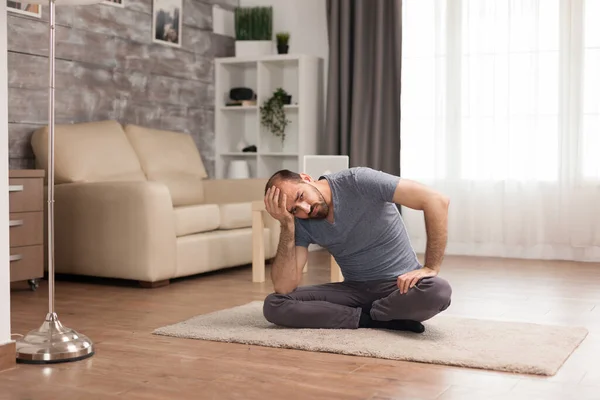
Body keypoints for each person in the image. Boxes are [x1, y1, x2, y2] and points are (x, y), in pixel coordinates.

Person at [261, 166, 452, 333]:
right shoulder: (301, 222)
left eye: (300, 196)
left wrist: (430, 267)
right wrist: (286, 224)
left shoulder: (358, 181)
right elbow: (284, 287)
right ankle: (373, 319)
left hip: (400, 287)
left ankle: (370, 314)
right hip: (354, 291)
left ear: (307, 178)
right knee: (274, 305)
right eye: (294, 210)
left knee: (439, 291)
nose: (305, 209)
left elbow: (436, 200)